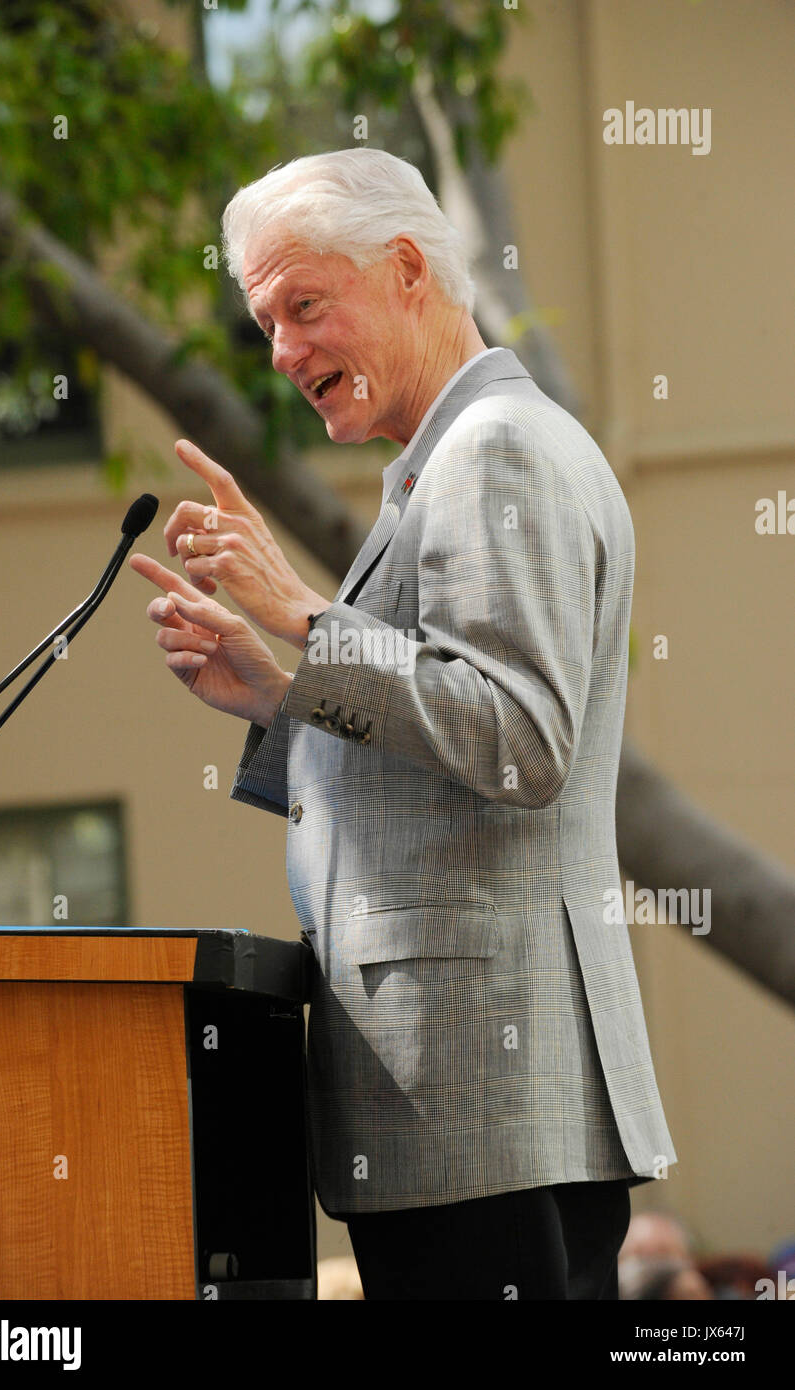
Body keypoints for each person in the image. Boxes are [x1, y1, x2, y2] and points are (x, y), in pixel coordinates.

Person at [130, 147, 677, 1300]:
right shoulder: (448, 461)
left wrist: (303, 615)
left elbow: (520, 739)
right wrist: (279, 693)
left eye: (303, 307)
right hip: (466, 1116)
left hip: (487, 1102)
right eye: (265, 324)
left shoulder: (496, 451)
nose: (281, 353)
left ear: (410, 269)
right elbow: (448, 736)